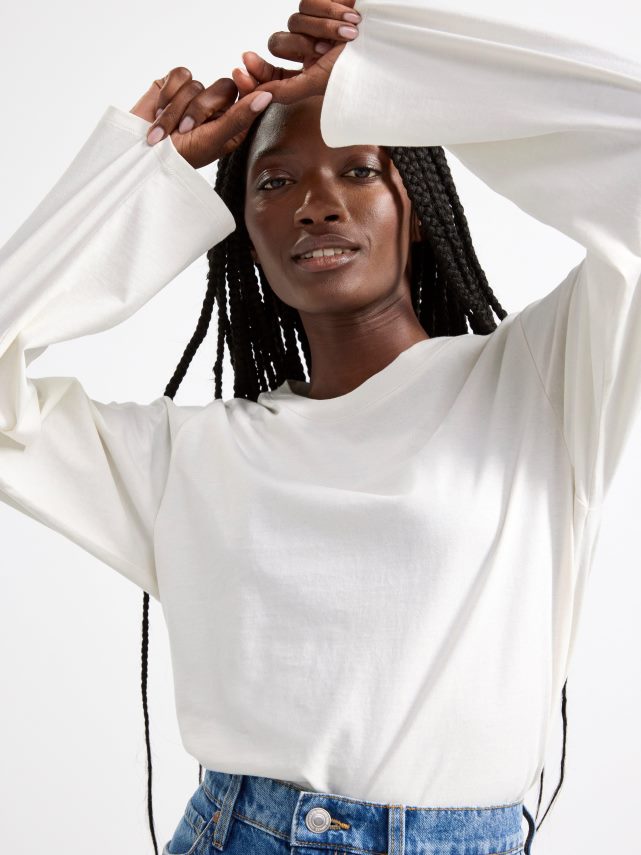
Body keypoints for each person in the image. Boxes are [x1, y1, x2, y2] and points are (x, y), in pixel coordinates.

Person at [1, 1, 640, 853]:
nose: (316, 204)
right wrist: (138, 181)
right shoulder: (187, 457)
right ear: (242, 229)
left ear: (417, 204)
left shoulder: (540, 383)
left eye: (359, 169)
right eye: (275, 182)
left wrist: (403, 70)